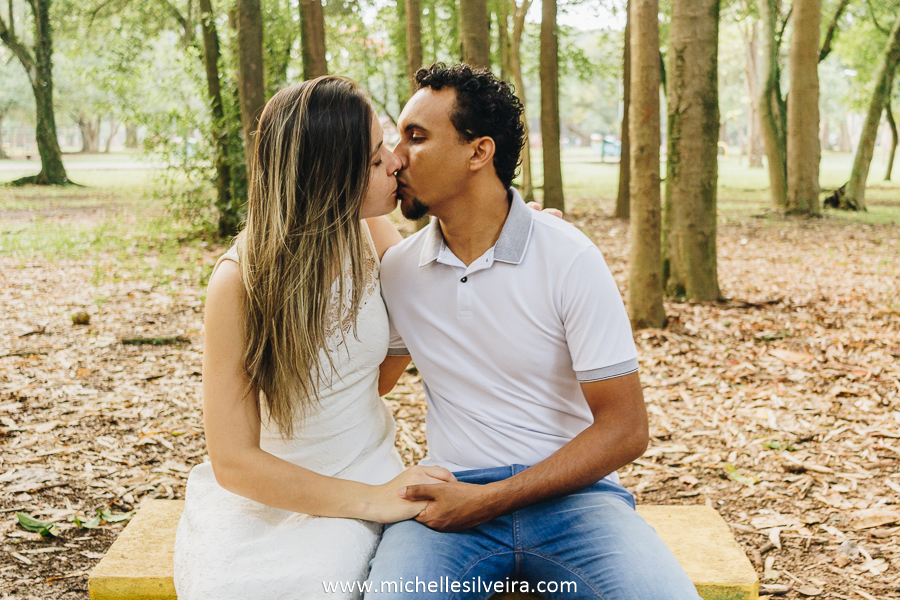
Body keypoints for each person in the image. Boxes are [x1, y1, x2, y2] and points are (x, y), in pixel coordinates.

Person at [366, 64, 701, 599]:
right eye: (396, 136)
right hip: (451, 498)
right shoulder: (400, 272)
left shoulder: (569, 256)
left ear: (479, 153)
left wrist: (491, 499)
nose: (396, 156)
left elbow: (626, 429)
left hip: (578, 501)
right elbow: (367, 387)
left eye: (416, 136)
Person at [172, 75, 458, 600]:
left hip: (366, 461)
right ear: (327, 179)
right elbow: (234, 460)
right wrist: (370, 501)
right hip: (267, 490)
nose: (396, 161)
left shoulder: (371, 234)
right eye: (375, 160)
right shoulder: (240, 281)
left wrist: (519, 229)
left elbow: (380, 371)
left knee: (327, 581)